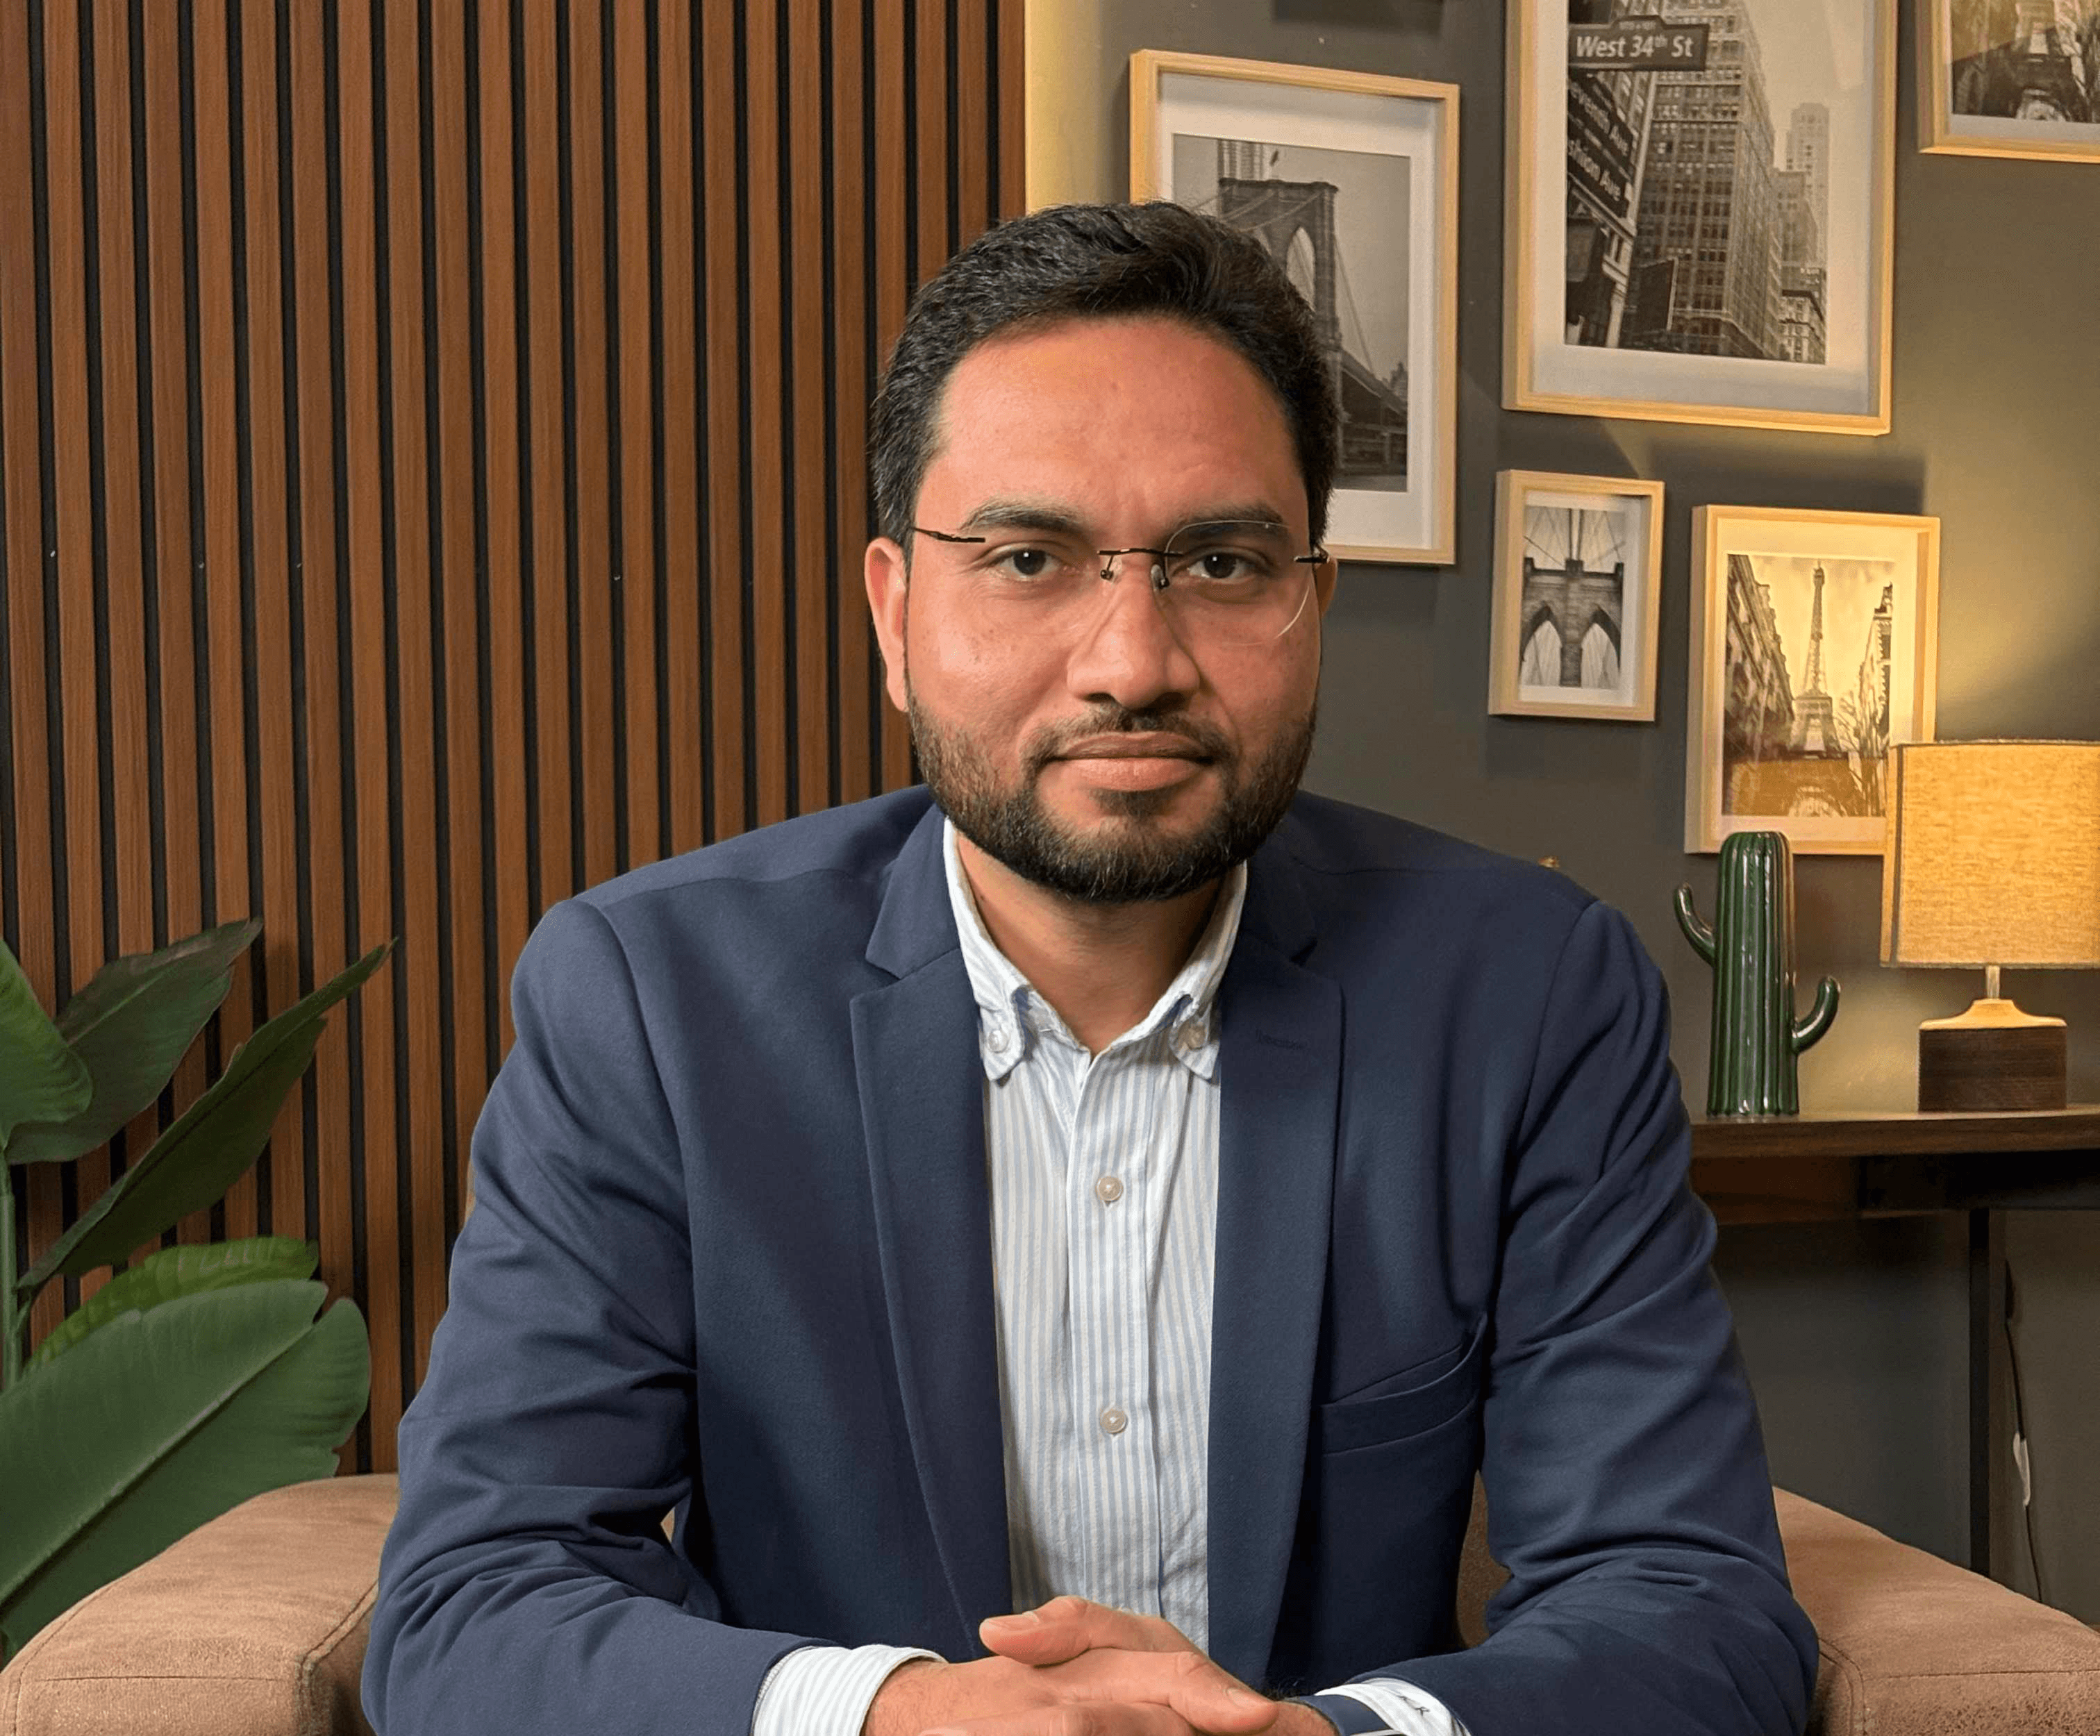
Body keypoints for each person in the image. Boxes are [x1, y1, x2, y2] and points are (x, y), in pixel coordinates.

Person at [362, 201, 1817, 1736]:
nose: (1133, 658)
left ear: (1313, 607)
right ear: (895, 610)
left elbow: (1692, 1604)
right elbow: (472, 1611)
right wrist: (892, 1718)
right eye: (1029, 556)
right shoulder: (649, 1003)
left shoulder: (1527, 997)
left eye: (1221, 559)